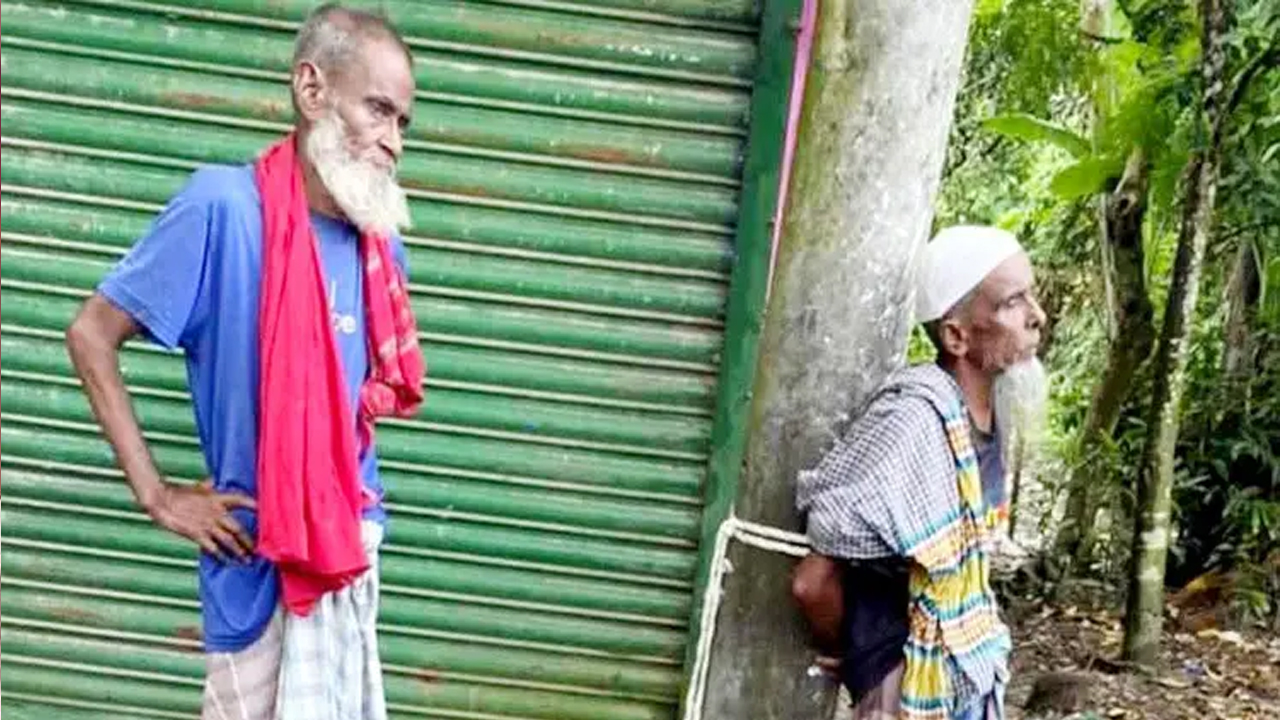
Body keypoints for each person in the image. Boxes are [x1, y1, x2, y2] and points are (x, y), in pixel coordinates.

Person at [63, 5, 423, 719]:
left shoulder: (380, 245)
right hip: (254, 566)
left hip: (349, 556)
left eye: (403, 123)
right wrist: (158, 496)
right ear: (311, 89)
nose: (393, 143)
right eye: (378, 111)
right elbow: (90, 335)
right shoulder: (222, 209)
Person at [791, 226, 1049, 720]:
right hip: (906, 682)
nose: (1036, 315)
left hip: (965, 668)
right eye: (1013, 302)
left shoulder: (987, 415)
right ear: (956, 336)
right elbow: (812, 583)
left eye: (1030, 296)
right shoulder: (915, 420)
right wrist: (860, 658)